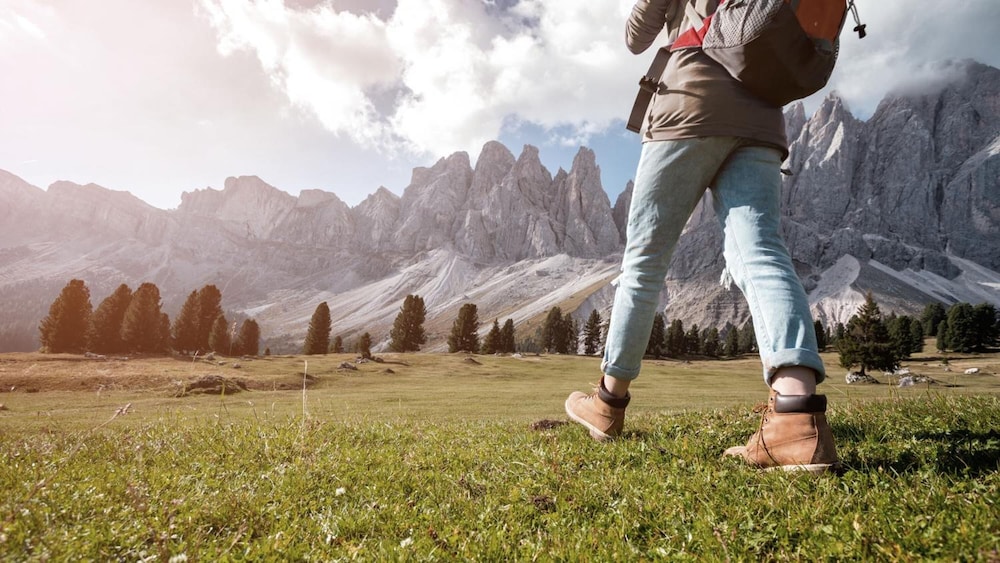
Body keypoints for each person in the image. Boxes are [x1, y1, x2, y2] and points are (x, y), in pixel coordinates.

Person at [564, 0, 839, 473]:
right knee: (762, 252)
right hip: (761, 117)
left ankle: (608, 403)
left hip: (687, 104)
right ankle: (796, 417)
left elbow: (635, 37)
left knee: (645, 262)